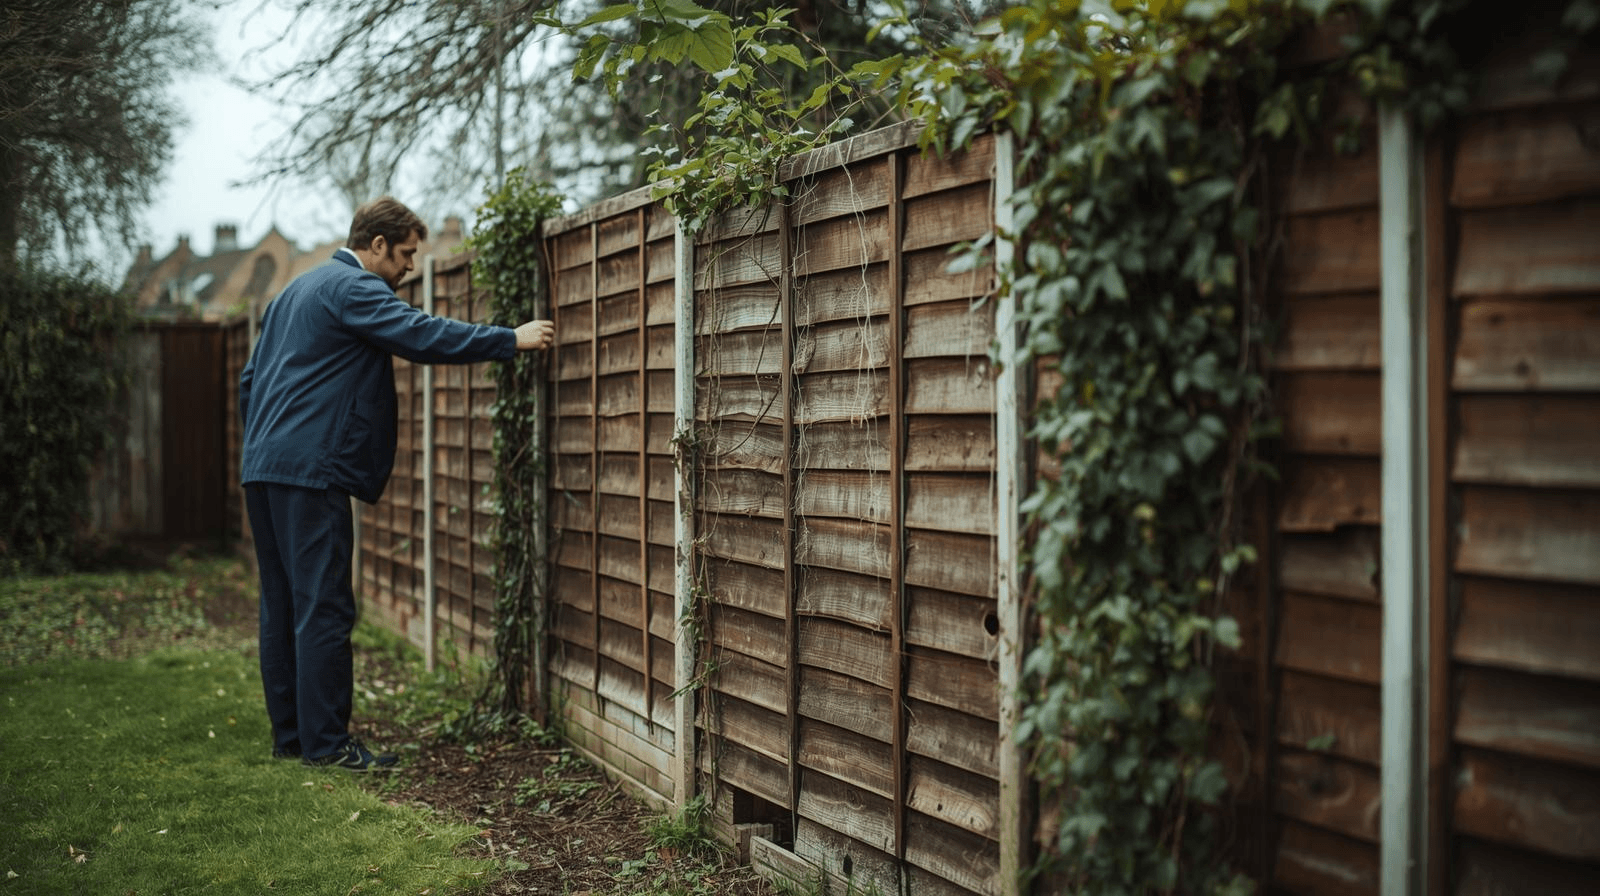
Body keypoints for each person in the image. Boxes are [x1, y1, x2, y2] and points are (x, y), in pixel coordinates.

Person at [239, 197, 554, 770]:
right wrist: (509, 339)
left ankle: (292, 739)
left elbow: (249, 380)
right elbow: (421, 334)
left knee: (281, 604)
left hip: (261, 467)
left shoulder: (293, 292)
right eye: (406, 253)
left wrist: (267, 443)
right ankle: (328, 747)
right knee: (324, 606)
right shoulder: (355, 287)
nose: (411, 265)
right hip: (309, 472)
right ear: (377, 245)